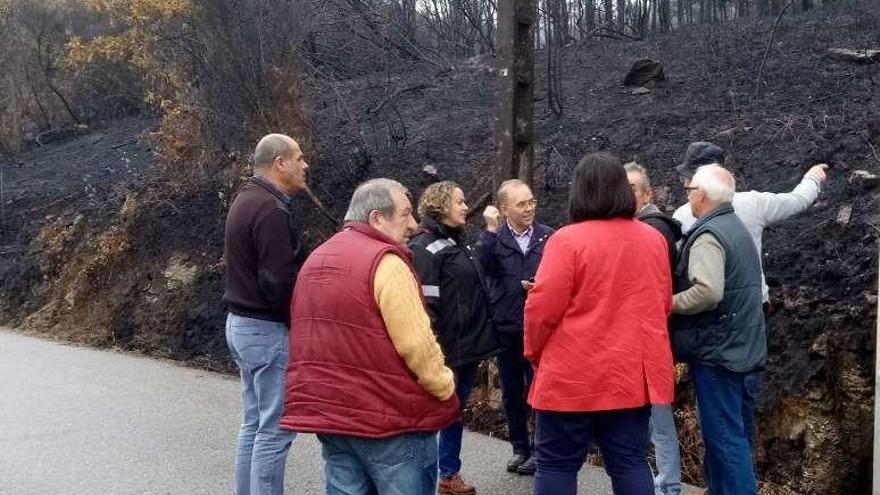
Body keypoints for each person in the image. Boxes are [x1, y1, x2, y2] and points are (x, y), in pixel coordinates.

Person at [281, 178, 460, 495]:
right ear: (377, 218)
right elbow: (417, 346)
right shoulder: (387, 263)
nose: (414, 225)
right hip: (392, 422)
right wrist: (445, 385)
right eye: (405, 214)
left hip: (334, 418)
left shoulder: (317, 258)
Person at [524, 152, 674, 495]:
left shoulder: (566, 241)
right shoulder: (652, 240)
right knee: (631, 462)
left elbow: (541, 311)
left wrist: (535, 355)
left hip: (570, 376)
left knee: (556, 465)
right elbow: (662, 305)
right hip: (629, 377)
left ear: (578, 192)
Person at [670, 164, 766, 495]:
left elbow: (708, 292)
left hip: (719, 355)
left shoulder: (709, 235)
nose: (688, 194)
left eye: (690, 189)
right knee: (735, 436)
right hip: (745, 350)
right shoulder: (735, 226)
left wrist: (667, 303)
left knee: (725, 439)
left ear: (702, 195)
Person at [222, 133, 309, 495]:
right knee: (275, 430)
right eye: (300, 157)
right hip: (265, 330)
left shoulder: (245, 198)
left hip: (240, 326)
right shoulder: (271, 209)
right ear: (280, 163)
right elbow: (277, 282)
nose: (306, 165)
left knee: (254, 423)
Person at [409, 181, 500, 495]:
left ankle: (448, 474)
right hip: (446, 350)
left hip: (467, 348)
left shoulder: (460, 242)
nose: (465, 206)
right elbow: (425, 305)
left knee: (452, 412)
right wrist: (432, 350)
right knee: (438, 414)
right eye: (460, 202)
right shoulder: (425, 246)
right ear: (441, 205)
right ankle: (425, 477)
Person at [672, 141, 829, 308]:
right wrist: (813, 177)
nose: (685, 184)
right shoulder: (753, 203)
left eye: (688, 178)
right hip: (753, 306)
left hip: (710, 313)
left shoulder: (682, 215)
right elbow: (798, 200)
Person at [475, 179, 554, 475]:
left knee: (541, 390)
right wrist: (490, 231)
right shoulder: (493, 240)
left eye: (531, 201)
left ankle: (540, 449)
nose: (529, 208)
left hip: (540, 329)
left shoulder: (548, 237)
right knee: (511, 392)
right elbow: (482, 266)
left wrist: (542, 288)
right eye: (521, 204)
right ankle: (520, 448)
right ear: (505, 209)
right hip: (507, 328)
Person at [624, 162, 683, 495]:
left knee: (659, 422)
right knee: (649, 421)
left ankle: (668, 486)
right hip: (647, 339)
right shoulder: (644, 226)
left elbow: (653, 293)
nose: (626, 194)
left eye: (633, 188)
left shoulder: (653, 230)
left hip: (652, 340)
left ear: (648, 193)